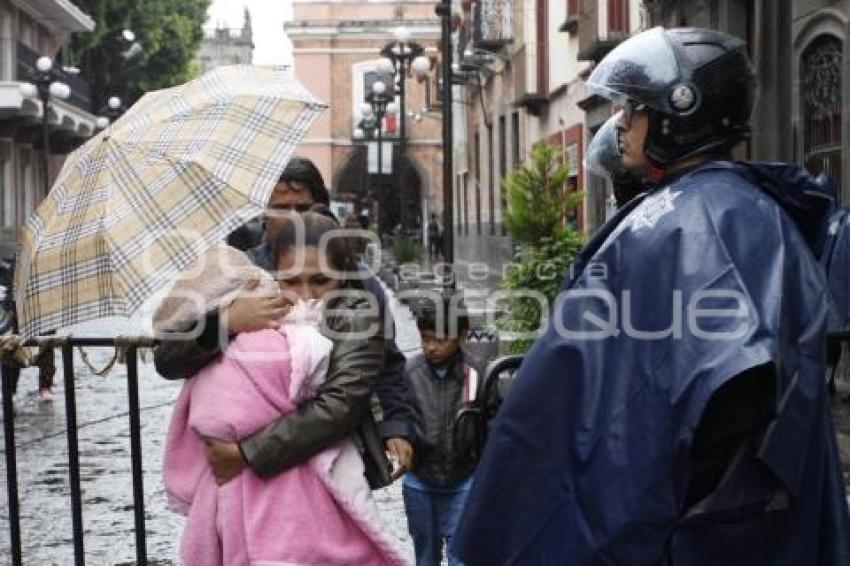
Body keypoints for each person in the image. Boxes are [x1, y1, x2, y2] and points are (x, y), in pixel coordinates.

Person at [454, 27, 850, 565]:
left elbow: (675, 403)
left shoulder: (695, 223)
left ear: (678, 112)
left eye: (632, 109)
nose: (619, 123)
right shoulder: (732, 209)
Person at [161, 211, 406, 565]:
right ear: (274, 273)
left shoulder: (356, 314)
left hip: (317, 481)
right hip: (245, 492)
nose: (306, 295)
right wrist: (227, 323)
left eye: (321, 281)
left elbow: (341, 404)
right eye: (292, 281)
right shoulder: (254, 302)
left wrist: (245, 452)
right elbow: (168, 360)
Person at [154, 157, 415, 487]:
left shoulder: (359, 281)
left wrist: (395, 426)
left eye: (301, 206)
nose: (292, 216)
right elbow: (168, 359)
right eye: (280, 207)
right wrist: (227, 323)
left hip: (331, 451)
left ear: (320, 207)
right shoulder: (237, 274)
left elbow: (387, 362)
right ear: (263, 212)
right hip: (245, 457)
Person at [403, 294, 477, 566]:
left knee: (462, 555)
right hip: (419, 480)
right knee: (425, 555)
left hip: (464, 480)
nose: (431, 347)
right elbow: (393, 413)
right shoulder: (408, 373)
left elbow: (491, 422)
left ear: (462, 336)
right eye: (425, 338)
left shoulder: (476, 373)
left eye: (440, 340)